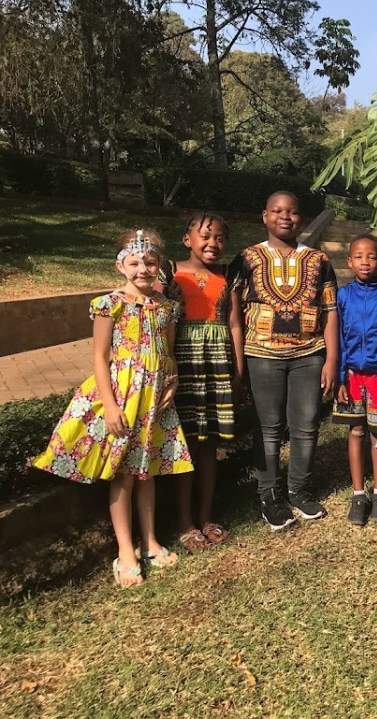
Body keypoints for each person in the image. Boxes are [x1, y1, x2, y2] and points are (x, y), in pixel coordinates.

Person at [33, 229, 192, 587]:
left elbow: (168, 355)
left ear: (160, 264)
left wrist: (173, 381)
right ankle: (125, 550)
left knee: (147, 471)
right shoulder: (110, 304)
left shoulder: (166, 307)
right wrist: (109, 404)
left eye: (149, 262)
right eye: (134, 263)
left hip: (154, 400)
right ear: (120, 266)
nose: (142, 270)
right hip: (123, 398)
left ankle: (150, 541)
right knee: (123, 474)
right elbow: (99, 356)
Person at [230, 192, 339, 530]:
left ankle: (299, 489)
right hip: (262, 354)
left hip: (309, 353)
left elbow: (330, 311)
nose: (284, 217)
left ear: (300, 217)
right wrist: (238, 364)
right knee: (269, 427)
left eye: (291, 211)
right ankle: (269, 495)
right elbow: (234, 315)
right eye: (277, 211)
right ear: (264, 216)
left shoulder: (319, 260)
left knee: (306, 424)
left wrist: (331, 358)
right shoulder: (246, 258)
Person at [157, 212, 245, 551]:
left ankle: (207, 517)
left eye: (219, 238)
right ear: (187, 240)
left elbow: (234, 323)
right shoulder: (170, 273)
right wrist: (166, 368)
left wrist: (238, 372)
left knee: (209, 444)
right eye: (205, 236)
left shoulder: (228, 275)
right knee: (186, 443)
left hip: (217, 365)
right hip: (184, 365)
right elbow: (160, 319)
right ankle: (184, 521)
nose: (212, 243)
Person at [332, 231, 377, 526]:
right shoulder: (343, 296)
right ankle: (359, 494)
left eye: (371, 257)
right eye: (359, 257)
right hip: (351, 376)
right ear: (349, 261)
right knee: (356, 431)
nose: (365, 262)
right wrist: (339, 377)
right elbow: (337, 337)